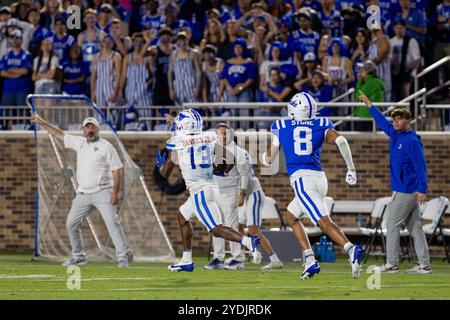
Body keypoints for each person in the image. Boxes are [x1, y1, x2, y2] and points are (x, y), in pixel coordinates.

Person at [262, 92, 364, 279]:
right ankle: (310, 261)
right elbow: (341, 140)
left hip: (302, 180)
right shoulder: (322, 123)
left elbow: (268, 159)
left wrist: (264, 157)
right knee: (291, 216)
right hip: (319, 179)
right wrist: (351, 169)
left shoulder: (281, 126)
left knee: (323, 222)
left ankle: (351, 249)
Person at [157, 109, 262, 272]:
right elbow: (230, 158)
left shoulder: (176, 142)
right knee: (182, 216)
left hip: (198, 190)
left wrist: (159, 165)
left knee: (216, 229)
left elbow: (165, 173)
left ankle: (248, 242)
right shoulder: (209, 137)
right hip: (211, 186)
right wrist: (221, 170)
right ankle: (186, 260)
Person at [29, 115, 131, 268]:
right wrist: (41, 122)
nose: (90, 130)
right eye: (87, 127)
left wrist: (115, 193)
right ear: (84, 130)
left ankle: (123, 257)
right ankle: (78, 257)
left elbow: (117, 171)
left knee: (112, 223)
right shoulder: (80, 143)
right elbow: (58, 134)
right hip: (83, 193)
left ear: (97, 129)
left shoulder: (106, 146)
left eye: (92, 127)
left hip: (103, 191)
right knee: (71, 223)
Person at [359, 91, 432, 275]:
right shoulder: (396, 135)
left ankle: (391, 263)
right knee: (415, 227)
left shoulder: (411, 141)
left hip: (407, 190)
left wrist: (422, 188)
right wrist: (369, 104)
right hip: (403, 189)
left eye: (399, 119)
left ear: (408, 121)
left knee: (392, 224)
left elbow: (421, 166)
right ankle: (424, 265)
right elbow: (383, 122)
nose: (395, 122)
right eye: (394, 120)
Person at [205, 124, 246, 270]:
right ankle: (218, 258)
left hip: (230, 192)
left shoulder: (238, 152)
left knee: (231, 225)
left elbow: (244, 174)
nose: (222, 136)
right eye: (219, 133)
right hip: (215, 192)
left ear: (230, 134)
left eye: (224, 133)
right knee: (215, 225)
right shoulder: (212, 150)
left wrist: (242, 194)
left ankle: (237, 258)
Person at [389, 19, 421, 101]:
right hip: (394, 72)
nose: (399, 30)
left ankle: (407, 111)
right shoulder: (391, 42)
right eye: (397, 28)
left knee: (405, 91)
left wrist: (408, 69)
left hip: (407, 71)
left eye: (401, 28)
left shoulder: (411, 41)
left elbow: (416, 59)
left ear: (405, 29)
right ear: (394, 29)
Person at [168, 31, 201, 105]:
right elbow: (170, 73)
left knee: (194, 111)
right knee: (181, 113)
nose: (182, 42)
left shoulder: (193, 53)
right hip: (178, 88)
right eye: (180, 40)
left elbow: (198, 72)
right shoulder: (173, 54)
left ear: (187, 40)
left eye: (184, 39)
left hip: (191, 87)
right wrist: (171, 89)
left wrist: (197, 88)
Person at [354, 61, 385, 131]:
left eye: (362, 70)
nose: (360, 72)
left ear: (367, 71)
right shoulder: (371, 81)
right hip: (367, 114)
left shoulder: (371, 82)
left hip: (367, 115)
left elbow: (358, 96)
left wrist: (359, 81)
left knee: (363, 140)